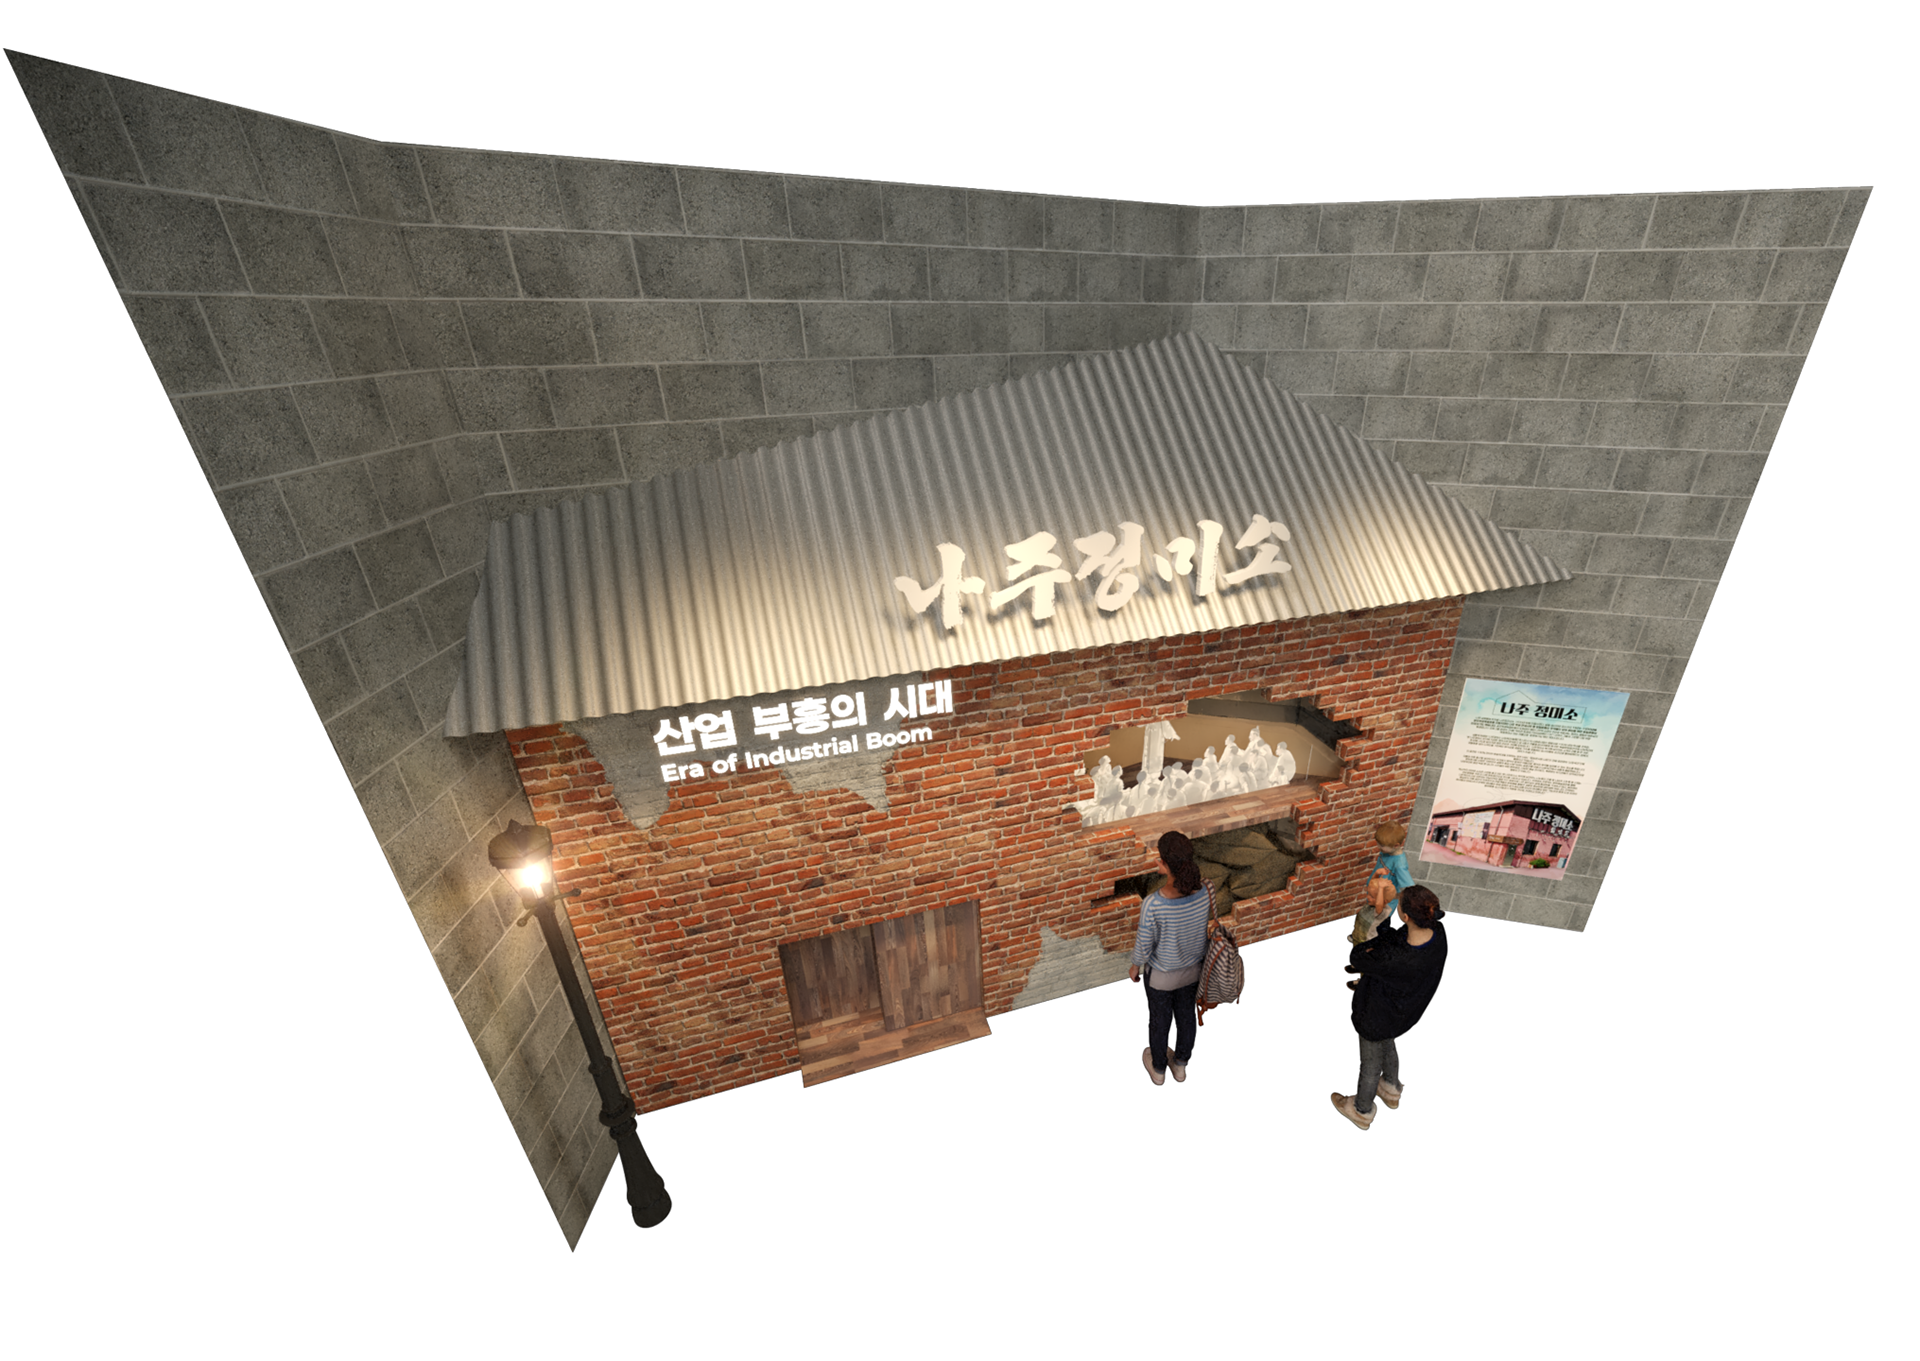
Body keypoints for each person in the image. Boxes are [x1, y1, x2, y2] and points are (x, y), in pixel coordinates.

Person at [1332, 883, 1447, 1129]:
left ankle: (1361, 1110)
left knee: (1370, 1063)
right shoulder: (1437, 933)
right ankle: (1391, 1089)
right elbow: (1395, 940)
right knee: (1388, 1042)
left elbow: (1358, 956)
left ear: (1405, 916)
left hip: (1376, 1014)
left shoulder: (1393, 958)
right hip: (1404, 1009)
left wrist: (1370, 941)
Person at [1129, 831, 1215, 1086]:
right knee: (1187, 1018)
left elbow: (1144, 945)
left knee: (1160, 1022)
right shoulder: (1207, 890)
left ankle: (1158, 1070)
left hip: (1161, 978)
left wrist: (1135, 966)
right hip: (1193, 972)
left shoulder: (1153, 904)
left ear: (1164, 864)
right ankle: (1180, 1067)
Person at [1353, 821, 1415, 945]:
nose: (1378, 847)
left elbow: (1409, 887)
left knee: (1379, 923)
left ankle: (1375, 943)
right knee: (1369, 916)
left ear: (1396, 845)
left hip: (1385, 901)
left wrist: (1396, 896)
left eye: (1382, 846)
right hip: (1375, 894)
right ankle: (1362, 934)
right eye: (1378, 844)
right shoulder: (1387, 852)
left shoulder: (1399, 864)